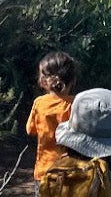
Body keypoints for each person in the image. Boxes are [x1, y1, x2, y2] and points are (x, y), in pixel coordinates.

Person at [25, 51, 79, 187]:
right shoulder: (76, 104)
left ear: (43, 81)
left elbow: (30, 130)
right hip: (70, 171)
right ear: (72, 80)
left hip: (44, 171)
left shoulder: (39, 103)